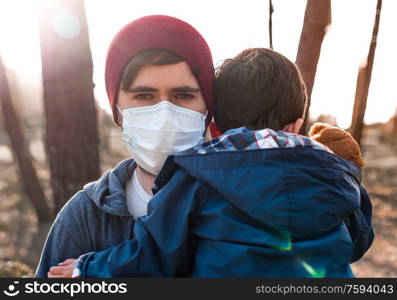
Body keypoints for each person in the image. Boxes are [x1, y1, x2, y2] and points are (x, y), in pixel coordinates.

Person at [48, 48, 373, 278]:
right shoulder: (332, 170)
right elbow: (359, 239)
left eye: (182, 95)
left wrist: (86, 268)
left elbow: (157, 254)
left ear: (214, 124)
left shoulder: (197, 174)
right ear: (297, 124)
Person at [35, 15, 215, 278]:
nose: (164, 113)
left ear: (207, 109)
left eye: (183, 95)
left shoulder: (239, 203)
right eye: (144, 96)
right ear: (118, 112)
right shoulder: (85, 218)